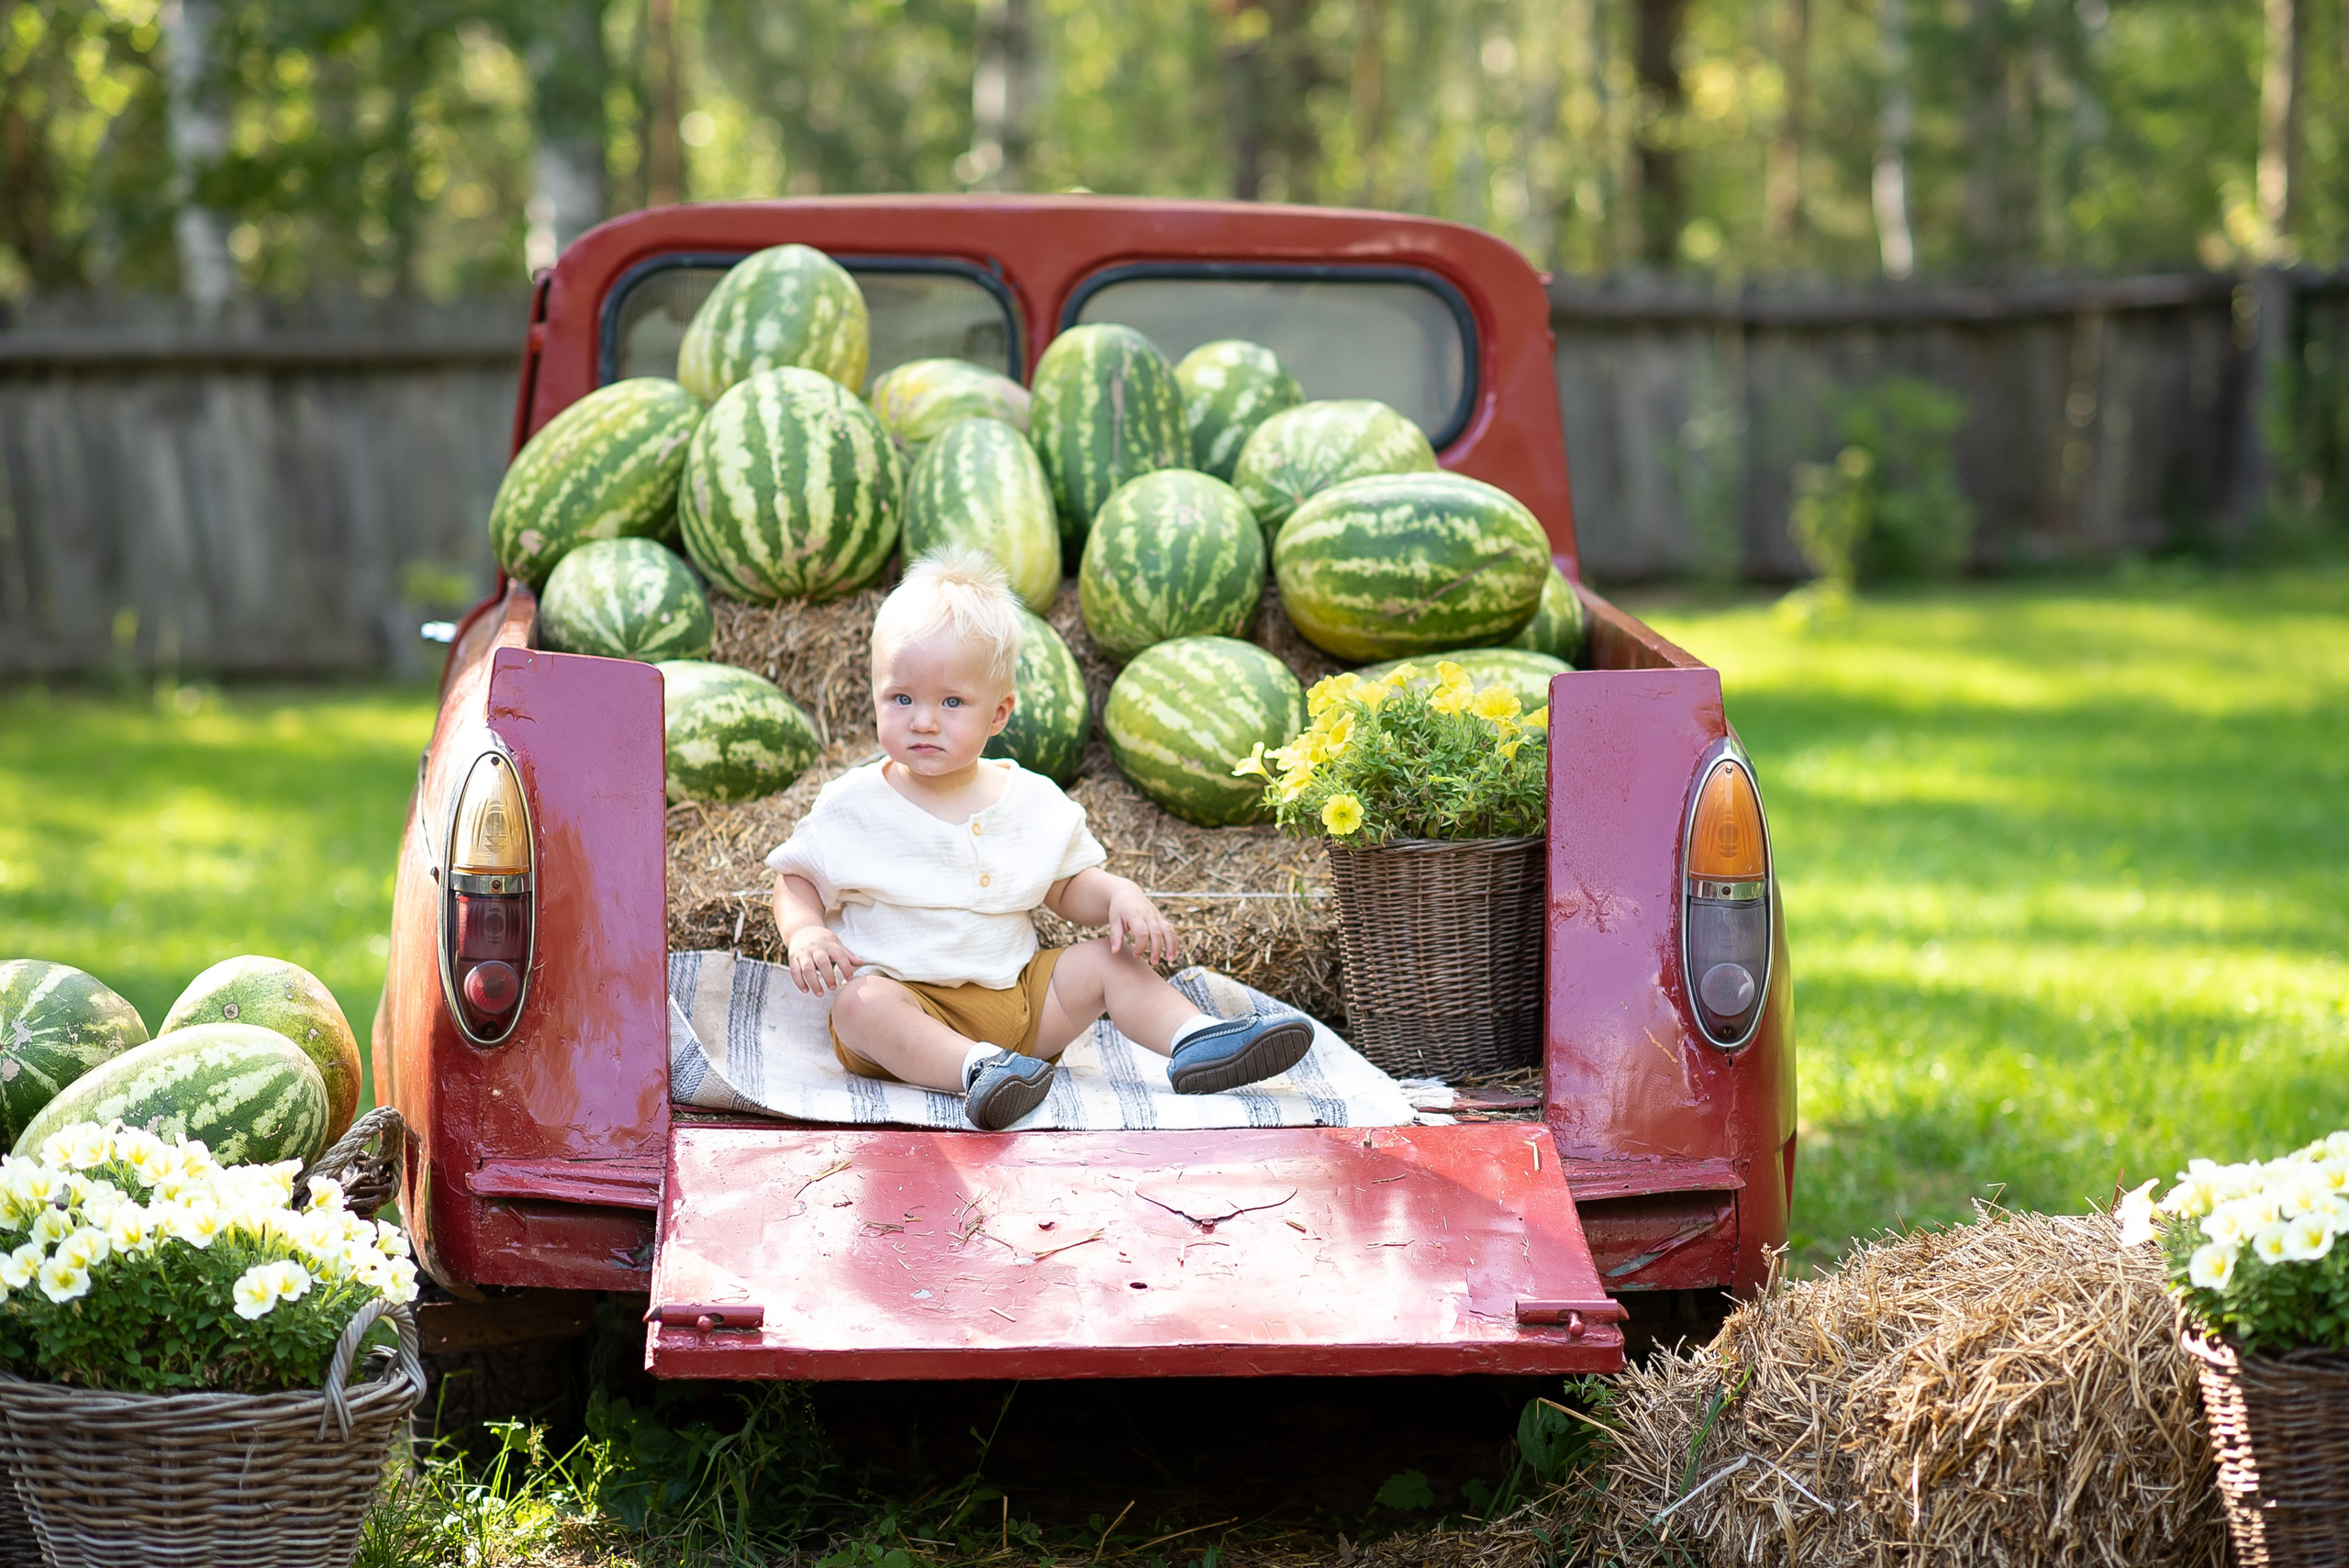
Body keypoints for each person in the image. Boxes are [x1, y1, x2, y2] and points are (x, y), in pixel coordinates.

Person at [768, 550, 1314, 1130]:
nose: (923, 720)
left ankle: (1196, 1039)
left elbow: (1067, 886)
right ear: (874, 694)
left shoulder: (1031, 801)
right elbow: (795, 876)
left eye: (951, 703)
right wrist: (806, 930)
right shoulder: (853, 804)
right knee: (859, 1006)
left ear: (999, 713)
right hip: (909, 1006)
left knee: (1109, 964)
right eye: (901, 698)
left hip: (1023, 1007)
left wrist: (1116, 896)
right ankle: (975, 1070)